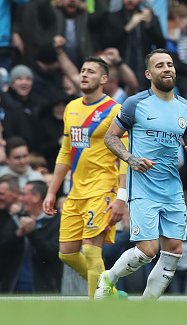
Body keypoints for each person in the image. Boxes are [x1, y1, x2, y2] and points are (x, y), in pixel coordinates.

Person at [97, 49, 187, 300]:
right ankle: (108, 278)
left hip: (173, 188)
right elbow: (110, 137)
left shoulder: (186, 108)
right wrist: (131, 159)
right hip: (143, 187)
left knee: (174, 250)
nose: (167, 69)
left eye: (170, 64)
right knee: (147, 251)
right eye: (160, 66)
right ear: (148, 73)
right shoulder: (135, 103)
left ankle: (145, 310)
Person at [42, 56, 127, 299]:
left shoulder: (115, 111)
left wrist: (121, 197)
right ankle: (109, 292)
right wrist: (52, 191)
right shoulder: (72, 108)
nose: (84, 74)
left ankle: (97, 311)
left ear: (104, 79)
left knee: (91, 252)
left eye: (90, 71)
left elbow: (124, 157)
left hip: (103, 188)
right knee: (67, 253)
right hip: (75, 190)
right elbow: (66, 151)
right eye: (82, 70)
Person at [18, 180, 62, 293]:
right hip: (16, 287)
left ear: (36, 197)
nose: (20, 199)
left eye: (24, 195)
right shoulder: (19, 219)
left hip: (44, 289)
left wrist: (32, 233)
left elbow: (54, 255)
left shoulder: (57, 221)